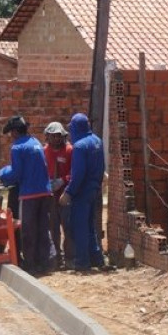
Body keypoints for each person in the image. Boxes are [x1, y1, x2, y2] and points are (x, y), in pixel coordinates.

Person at [0, 115, 55, 275]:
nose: (10, 136)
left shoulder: (17, 147)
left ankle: (30, 265)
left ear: (14, 132)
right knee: (43, 228)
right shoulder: (36, 143)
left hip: (29, 194)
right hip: (45, 191)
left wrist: (1, 176)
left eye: (10, 133)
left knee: (27, 230)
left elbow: (16, 173)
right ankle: (45, 263)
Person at [59, 113, 106, 272]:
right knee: (90, 226)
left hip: (81, 192)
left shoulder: (79, 146)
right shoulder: (98, 141)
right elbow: (101, 168)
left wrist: (68, 192)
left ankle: (82, 263)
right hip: (94, 189)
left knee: (79, 226)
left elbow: (78, 173)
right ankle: (97, 259)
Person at [43, 121, 73, 267]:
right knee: (53, 227)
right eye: (53, 136)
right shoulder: (44, 152)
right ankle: (56, 258)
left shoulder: (69, 151)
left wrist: (63, 180)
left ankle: (69, 257)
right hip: (50, 196)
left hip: (65, 195)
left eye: (58, 136)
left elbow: (75, 172)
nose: (56, 139)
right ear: (47, 137)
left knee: (68, 226)